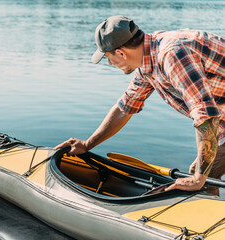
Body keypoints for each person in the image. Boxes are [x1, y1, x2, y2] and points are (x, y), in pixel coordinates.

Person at [54, 15, 225, 195]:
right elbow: (124, 109)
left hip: (217, 120)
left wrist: (198, 178)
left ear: (121, 53)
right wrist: (87, 144)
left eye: (108, 57)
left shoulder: (171, 55)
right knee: (207, 173)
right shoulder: (148, 61)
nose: (110, 63)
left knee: (200, 177)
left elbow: (206, 116)